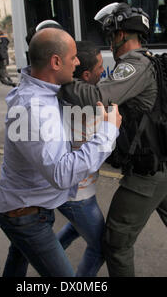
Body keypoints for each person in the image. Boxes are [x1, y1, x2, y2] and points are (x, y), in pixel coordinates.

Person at [59, 3, 167, 277]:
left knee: (116, 244)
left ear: (122, 34)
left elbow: (97, 97)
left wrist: (60, 80)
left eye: (110, 33)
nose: (108, 40)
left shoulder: (135, 65)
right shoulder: (149, 59)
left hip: (147, 176)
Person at [0, 27, 122, 277]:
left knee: (18, 257)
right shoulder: (34, 107)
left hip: (30, 208)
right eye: (73, 57)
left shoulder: (42, 91)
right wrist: (108, 131)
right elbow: (62, 174)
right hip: (26, 216)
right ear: (55, 62)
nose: (77, 63)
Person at [56, 41, 106, 277]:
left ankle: (45, 254)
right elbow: (106, 146)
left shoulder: (63, 96)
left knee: (77, 228)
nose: (104, 72)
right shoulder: (92, 110)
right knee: (100, 247)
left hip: (69, 190)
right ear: (86, 75)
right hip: (79, 195)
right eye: (100, 68)